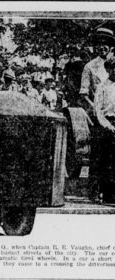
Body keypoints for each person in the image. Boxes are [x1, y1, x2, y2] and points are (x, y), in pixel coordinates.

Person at [80, 28, 115, 202]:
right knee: (98, 155)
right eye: (100, 43)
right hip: (97, 113)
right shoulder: (90, 66)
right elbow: (84, 94)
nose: (103, 47)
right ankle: (94, 191)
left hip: (111, 112)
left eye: (106, 43)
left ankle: (110, 192)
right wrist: (96, 110)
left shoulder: (112, 62)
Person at [94, 57, 115, 202]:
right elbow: (98, 110)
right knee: (107, 160)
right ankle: (107, 193)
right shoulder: (102, 87)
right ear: (108, 69)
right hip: (107, 124)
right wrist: (108, 125)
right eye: (113, 68)